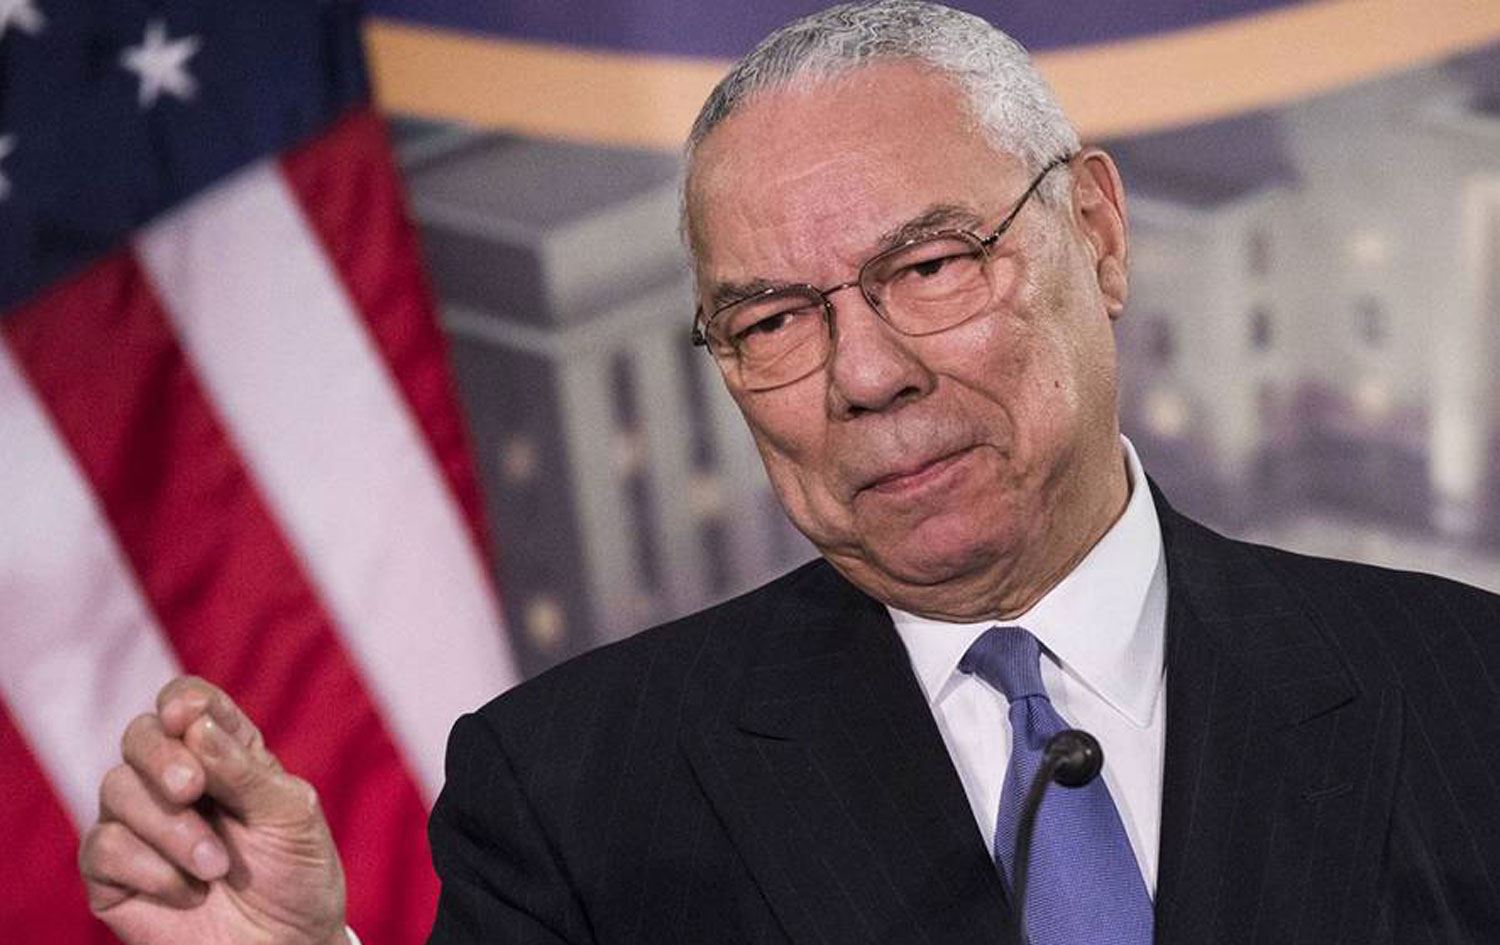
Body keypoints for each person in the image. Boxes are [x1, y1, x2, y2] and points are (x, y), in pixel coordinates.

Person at [79, 3, 1500, 943]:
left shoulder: (1465, 691)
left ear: (1098, 233)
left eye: (929, 266)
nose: (864, 374)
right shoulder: (574, 792)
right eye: (770, 323)